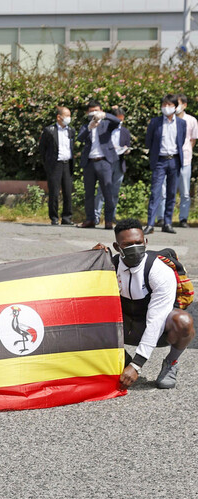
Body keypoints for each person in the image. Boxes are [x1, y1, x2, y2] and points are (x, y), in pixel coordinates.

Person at [93, 219, 194, 389]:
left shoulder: (160, 271)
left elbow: (156, 320)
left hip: (158, 330)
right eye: (127, 244)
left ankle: (171, 362)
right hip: (124, 327)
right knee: (88, 313)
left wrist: (137, 365)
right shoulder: (111, 265)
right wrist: (93, 258)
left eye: (138, 243)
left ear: (145, 242)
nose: (135, 248)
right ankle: (122, 358)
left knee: (183, 322)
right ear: (117, 247)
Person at [143, 94, 186, 235]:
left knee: (172, 193)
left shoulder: (181, 123)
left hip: (174, 160)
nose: (166, 108)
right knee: (155, 192)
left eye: (169, 105)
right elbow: (148, 141)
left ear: (175, 107)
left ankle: (167, 223)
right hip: (160, 160)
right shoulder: (155, 122)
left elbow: (182, 140)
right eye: (164, 105)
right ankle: (150, 224)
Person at [152, 94, 197, 228]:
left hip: (185, 159)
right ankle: (162, 218)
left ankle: (183, 218)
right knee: (163, 191)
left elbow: (192, 140)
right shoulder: (164, 121)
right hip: (167, 158)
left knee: (184, 191)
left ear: (183, 105)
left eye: (176, 104)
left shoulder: (191, 120)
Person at [76, 100, 121, 229]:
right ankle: (90, 219)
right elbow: (79, 138)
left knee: (107, 192)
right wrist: (89, 127)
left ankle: (108, 220)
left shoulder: (106, 124)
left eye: (96, 110)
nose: (93, 113)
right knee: (89, 193)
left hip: (104, 161)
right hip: (89, 162)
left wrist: (105, 115)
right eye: (91, 111)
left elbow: (117, 122)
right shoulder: (86, 126)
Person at [39, 106, 76, 225]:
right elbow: (42, 149)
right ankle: (54, 217)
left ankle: (67, 217)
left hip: (67, 163)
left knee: (67, 191)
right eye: (66, 116)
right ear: (59, 117)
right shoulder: (50, 130)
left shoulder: (71, 131)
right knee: (54, 192)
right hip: (55, 164)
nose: (68, 118)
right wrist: (48, 164)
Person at [95, 107, 131, 224]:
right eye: (118, 120)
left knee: (115, 191)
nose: (120, 122)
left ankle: (112, 215)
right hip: (106, 161)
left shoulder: (125, 131)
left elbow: (127, 145)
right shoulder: (105, 129)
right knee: (101, 191)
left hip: (119, 162)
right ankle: (96, 216)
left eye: (122, 120)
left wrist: (126, 150)